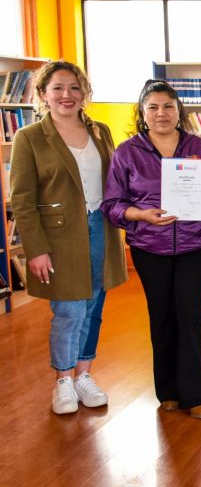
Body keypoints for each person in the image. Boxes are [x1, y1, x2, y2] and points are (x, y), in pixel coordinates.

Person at [101, 80, 201, 419]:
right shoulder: (127, 152)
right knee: (162, 315)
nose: (161, 113)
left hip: (195, 244)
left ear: (178, 111)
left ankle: (196, 394)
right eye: (153, 107)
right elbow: (112, 204)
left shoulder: (200, 147)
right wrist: (140, 214)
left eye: (168, 106)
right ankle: (168, 391)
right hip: (148, 246)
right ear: (143, 113)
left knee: (191, 315)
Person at [9, 60, 127, 415]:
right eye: (57, 88)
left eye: (75, 88)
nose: (66, 95)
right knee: (68, 310)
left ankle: (84, 375)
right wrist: (36, 249)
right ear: (43, 94)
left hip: (100, 230)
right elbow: (22, 200)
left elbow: (118, 181)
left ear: (84, 93)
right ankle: (63, 380)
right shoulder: (29, 137)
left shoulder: (101, 131)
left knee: (94, 306)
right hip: (59, 238)